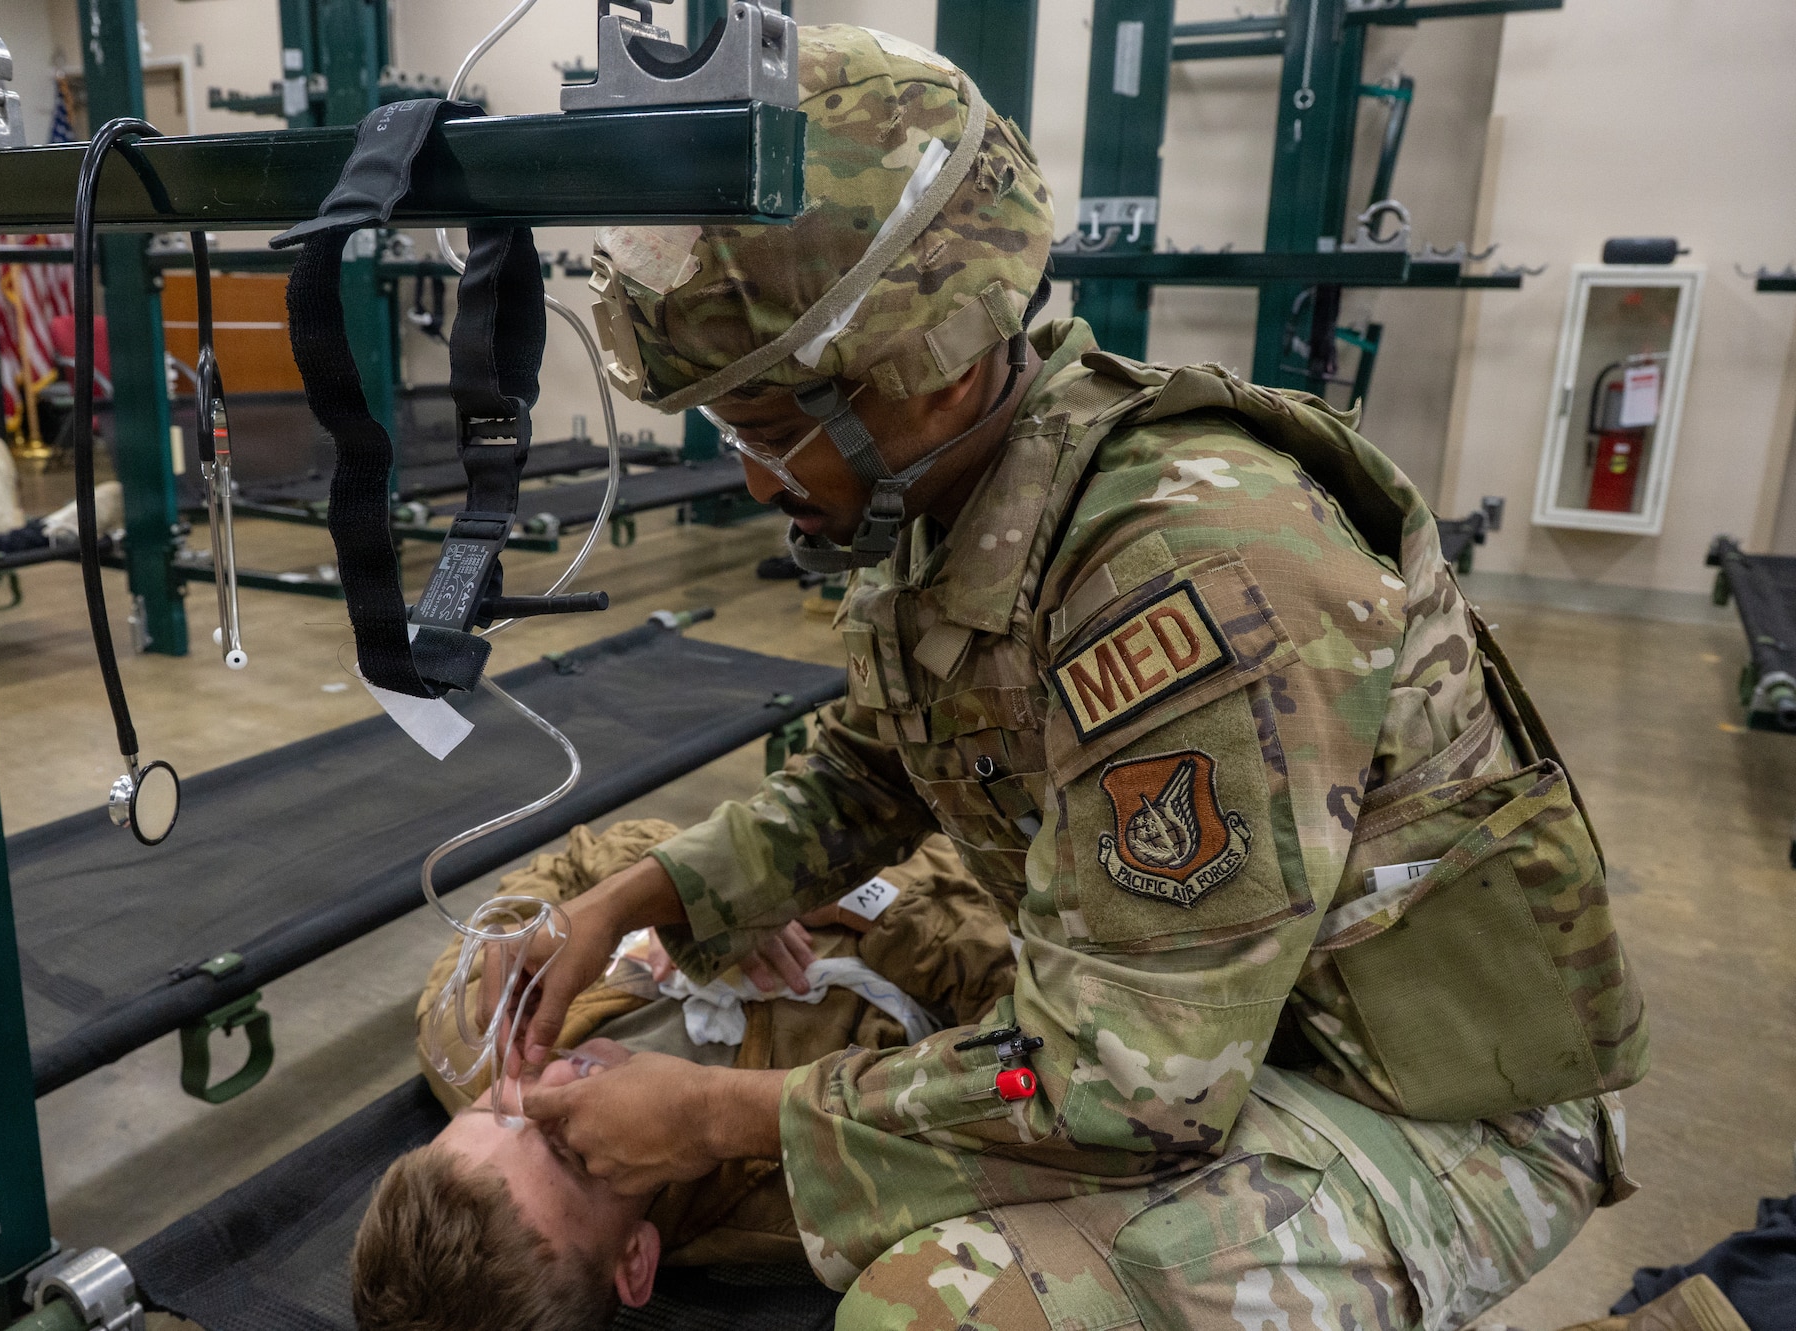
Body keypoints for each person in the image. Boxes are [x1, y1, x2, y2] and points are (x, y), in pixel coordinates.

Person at [494, 24, 1650, 1331]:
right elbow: (870, 773)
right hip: (1208, 1022)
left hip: (1424, 1097)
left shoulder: (1192, 574)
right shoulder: (957, 507)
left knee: (941, 1307)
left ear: (928, 368)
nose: (756, 481)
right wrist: (639, 899)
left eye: (772, 431)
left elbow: (1122, 1094)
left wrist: (711, 1118)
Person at [350, 820, 1018, 1331]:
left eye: (492, 1108)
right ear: (634, 1262)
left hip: (827, 812)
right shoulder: (818, 1194)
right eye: (564, 1145)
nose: (552, 1076)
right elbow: (1030, 1040)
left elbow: (584, 854)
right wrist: (857, 899)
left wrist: (690, 892)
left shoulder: (467, 1034)